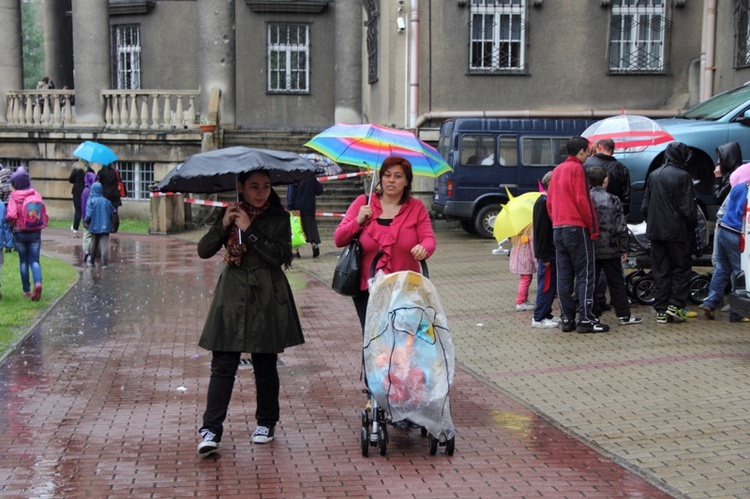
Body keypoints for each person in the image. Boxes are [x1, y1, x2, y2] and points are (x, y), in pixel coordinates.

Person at [196, 170, 304, 456]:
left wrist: (251, 230)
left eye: (266, 186)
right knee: (223, 360)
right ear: (240, 187)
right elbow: (204, 250)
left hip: (266, 292)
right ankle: (211, 429)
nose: (261, 192)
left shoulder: (279, 216)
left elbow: (281, 256)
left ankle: (266, 422)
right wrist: (224, 224)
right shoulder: (229, 213)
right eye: (254, 186)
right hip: (232, 291)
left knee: (265, 362)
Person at [334, 156, 436, 332]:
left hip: (405, 289)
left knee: (403, 341)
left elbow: (429, 239)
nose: (391, 180)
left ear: (406, 181)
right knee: (374, 341)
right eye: (387, 175)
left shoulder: (416, 208)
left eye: (398, 176)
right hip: (369, 290)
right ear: (380, 178)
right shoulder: (363, 203)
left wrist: (423, 248)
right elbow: (339, 238)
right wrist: (358, 220)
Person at [547, 136, 609, 334]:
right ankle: (586, 318)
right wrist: (593, 228)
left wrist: (556, 219)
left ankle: (567, 317)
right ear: (581, 151)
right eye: (587, 151)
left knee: (564, 276)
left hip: (558, 227)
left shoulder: (556, 171)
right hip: (576, 227)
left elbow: (549, 203)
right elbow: (583, 201)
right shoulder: (577, 170)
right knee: (585, 274)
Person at [641, 142, 697, 324]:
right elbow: (687, 208)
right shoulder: (684, 176)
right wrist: (691, 225)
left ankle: (661, 310)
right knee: (681, 268)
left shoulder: (654, 175)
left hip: (656, 231)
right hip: (677, 231)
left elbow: (645, 206)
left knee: (660, 270)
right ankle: (675, 305)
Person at [588, 166, 642, 325]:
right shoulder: (614, 199)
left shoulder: (586, 199)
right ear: (606, 180)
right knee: (617, 283)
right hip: (611, 247)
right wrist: (623, 247)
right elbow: (621, 226)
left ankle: (593, 314)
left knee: (592, 282)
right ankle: (624, 315)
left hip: (592, 247)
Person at [700, 179, 748, 322]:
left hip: (723, 228)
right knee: (739, 272)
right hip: (736, 232)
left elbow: (726, 208)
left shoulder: (739, 187)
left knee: (721, 268)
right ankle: (737, 312)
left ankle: (710, 302)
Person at [5, 169, 44, 301]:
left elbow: (11, 215)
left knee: (23, 262)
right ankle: (38, 283)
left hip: (19, 232)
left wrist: (10, 221)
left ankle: (26, 291)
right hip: (35, 232)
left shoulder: (14, 196)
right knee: (34, 260)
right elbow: (44, 214)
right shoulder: (36, 194)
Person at [531, 171, 559, 329]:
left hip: (548, 251)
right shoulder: (543, 203)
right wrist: (545, 255)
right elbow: (541, 232)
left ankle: (546, 312)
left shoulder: (546, 201)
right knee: (546, 285)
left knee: (550, 284)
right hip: (547, 253)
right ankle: (539, 317)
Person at [286, 176, 323, 258]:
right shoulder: (311, 176)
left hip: (297, 208)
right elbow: (319, 191)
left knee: (298, 229)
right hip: (309, 207)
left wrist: (289, 206)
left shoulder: (294, 176)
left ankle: (296, 250)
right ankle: (314, 245)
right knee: (311, 228)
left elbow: (291, 193)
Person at [83, 182, 114, 269]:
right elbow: (111, 213)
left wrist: (86, 222)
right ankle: (104, 263)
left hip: (94, 226)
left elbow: (89, 214)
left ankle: (92, 261)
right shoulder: (107, 202)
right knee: (104, 245)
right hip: (105, 226)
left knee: (94, 244)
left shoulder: (91, 201)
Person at [509, 223, 536, 311]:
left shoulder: (517, 232)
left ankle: (524, 299)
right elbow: (533, 248)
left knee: (525, 278)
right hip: (525, 261)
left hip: (520, 260)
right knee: (525, 279)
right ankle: (520, 302)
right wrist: (536, 262)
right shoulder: (530, 231)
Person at [68, 160, 94, 237]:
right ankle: (87, 225)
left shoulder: (76, 169)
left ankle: (75, 227)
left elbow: (70, 179)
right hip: (86, 191)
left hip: (77, 192)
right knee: (87, 209)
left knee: (78, 210)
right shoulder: (90, 170)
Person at [96, 163, 123, 232]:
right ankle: (115, 228)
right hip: (114, 193)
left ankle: (107, 226)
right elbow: (119, 180)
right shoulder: (115, 172)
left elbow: (98, 183)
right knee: (115, 211)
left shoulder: (100, 172)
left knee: (105, 211)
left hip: (105, 194)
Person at [80, 171, 97, 263]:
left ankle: (86, 251)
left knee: (86, 235)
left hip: (87, 216)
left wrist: (85, 218)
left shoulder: (85, 191)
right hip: (95, 216)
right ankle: (93, 251)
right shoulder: (96, 190)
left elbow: (83, 206)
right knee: (94, 235)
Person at [0, 166, 13, 253]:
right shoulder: (12, 186)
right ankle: (10, 244)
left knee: (4, 226)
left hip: (4, 207)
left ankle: (6, 244)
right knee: (11, 228)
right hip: (12, 207)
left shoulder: (2, 187)